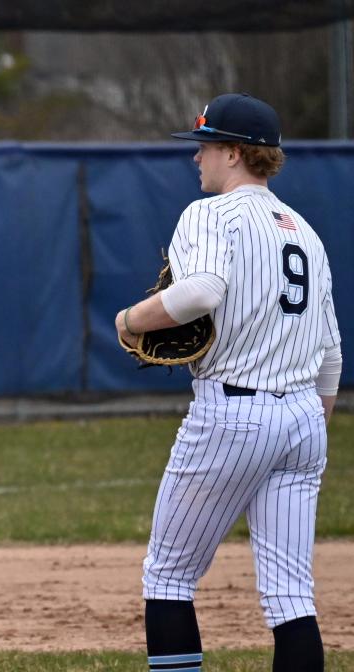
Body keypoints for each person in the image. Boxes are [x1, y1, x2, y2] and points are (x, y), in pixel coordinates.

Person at [114, 93, 342, 672]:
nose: (197, 159)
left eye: (206, 146)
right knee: (291, 594)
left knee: (168, 573)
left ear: (236, 153)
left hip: (234, 412)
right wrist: (312, 420)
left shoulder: (209, 216)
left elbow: (202, 292)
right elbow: (332, 351)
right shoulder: (308, 234)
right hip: (303, 419)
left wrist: (131, 319)